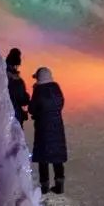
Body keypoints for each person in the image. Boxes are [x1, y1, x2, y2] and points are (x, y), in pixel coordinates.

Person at [30, 65, 66, 193]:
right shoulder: (56, 87)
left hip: (43, 127)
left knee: (43, 157)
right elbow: (61, 103)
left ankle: (44, 186)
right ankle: (59, 184)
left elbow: (32, 108)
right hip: (57, 126)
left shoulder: (38, 91)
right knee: (57, 156)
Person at [4, 47, 32, 127]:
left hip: (2, 116)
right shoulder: (17, 82)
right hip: (15, 115)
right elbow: (22, 99)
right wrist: (27, 97)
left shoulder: (0, 76)